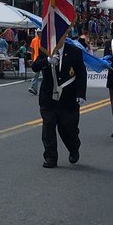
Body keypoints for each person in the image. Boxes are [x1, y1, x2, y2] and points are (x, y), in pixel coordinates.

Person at [31, 38, 87, 168]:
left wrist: (81, 94)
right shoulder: (45, 50)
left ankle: (73, 148)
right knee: (48, 127)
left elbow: (81, 74)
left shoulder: (74, 52)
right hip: (48, 98)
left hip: (69, 98)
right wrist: (47, 61)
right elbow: (35, 67)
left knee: (68, 128)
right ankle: (50, 157)